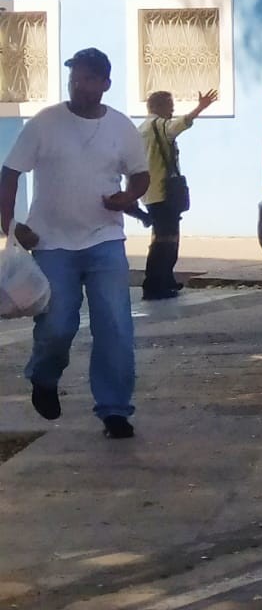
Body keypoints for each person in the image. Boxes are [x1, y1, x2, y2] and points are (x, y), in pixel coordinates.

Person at [0, 47, 149, 439]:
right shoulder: (45, 123)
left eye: (86, 78)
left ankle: (115, 410)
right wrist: (12, 225)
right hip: (51, 243)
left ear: (105, 84)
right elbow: (11, 172)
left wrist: (128, 198)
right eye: (74, 78)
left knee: (115, 326)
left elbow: (140, 175)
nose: (78, 85)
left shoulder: (120, 127)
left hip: (105, 240)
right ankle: (44, 377)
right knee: (58, 325)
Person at [139, 88, 218, 300]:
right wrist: (200, 108)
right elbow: (177, 127)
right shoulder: (159, 125)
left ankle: (164, 280)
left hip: (151, 191)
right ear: (158, 107)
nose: (172, 109)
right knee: (166, 241)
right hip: (163, 191)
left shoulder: (143, 128)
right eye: (169, 105)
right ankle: (156, 284)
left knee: (163, 239)